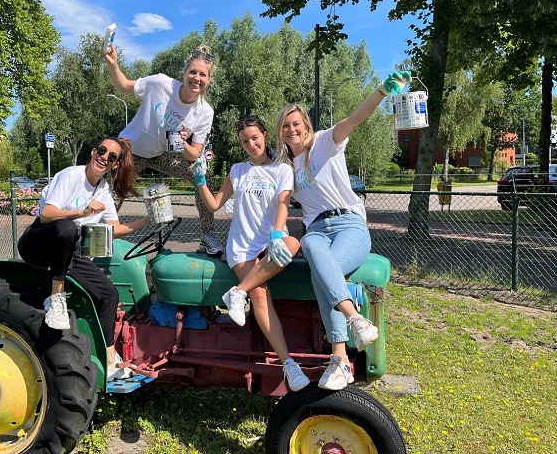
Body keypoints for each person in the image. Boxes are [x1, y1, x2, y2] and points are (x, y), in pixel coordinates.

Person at [270, 71, 412, 390]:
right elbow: (269, 198)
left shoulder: (325, 141)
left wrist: (381, 92)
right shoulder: (285, 170)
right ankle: (355, 319)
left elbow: (355, 118)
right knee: (311, 246)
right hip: (317, 229)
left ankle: (340, 359)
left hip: (349, 223)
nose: (292, 129)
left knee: (323, 270)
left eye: (296, 123)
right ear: (280, 133)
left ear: (305, 125)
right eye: (285, 125)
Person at [190, 115, 311, 391]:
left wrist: (278, 234)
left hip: (270, 240)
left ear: (265, 136)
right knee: (260, 292)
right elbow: (214, 205)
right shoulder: (237, 170)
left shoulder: (282, 170)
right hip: (242, 244)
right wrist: (199, 178)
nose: (251, 144)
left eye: (254, 138)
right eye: (245, 141)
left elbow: (283, 205)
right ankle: (288, 365)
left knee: (294, 244)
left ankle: (237, 291)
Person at [18, 137, 150, 380]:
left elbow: (114, 227)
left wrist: (148, 220)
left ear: (115, 165)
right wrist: (83, 212)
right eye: (102, 150)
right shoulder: (71, 176)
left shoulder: (103, 190)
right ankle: (56, 300)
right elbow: (47, 215)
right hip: (39, 241)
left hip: (69, 250)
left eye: (112, 157)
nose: (105, 157)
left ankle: (109, 359)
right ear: (93, 152)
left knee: (108, 294)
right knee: (68, 228)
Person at [104, 44, 223, 256]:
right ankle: (100, 239)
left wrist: (185, 143)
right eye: (192, 72)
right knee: (112, 191)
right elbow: (123, 86)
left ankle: (207, 235)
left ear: (209, 80)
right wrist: (113, 64)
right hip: (132, 150)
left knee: (201, 175)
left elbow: (194, 154)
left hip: (163, 154)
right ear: (184, 73)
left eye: (203, 75)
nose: (197, 78)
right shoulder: (160, 84)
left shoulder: (205, 111)